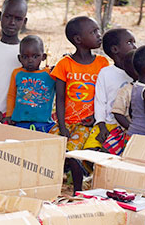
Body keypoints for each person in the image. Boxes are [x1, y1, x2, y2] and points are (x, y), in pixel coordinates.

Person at [49, 16, 109, 193]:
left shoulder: (102, 63)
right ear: (78, 39)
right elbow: (59, 98)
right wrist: (61, 125)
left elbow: (104, 96)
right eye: (93, 32)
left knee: (74, 153)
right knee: (50, 147)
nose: (99, 35)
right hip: (65, 121)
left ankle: (77, 190)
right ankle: (51, 185)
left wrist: (97, 119)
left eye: (98, 31)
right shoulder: (64, 64)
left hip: (87, 123)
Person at [83, 28, 136, 151]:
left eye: (134, 42)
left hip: (129, 126)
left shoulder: (138, 73)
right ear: (115, 49)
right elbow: (100, 101)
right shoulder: (106, 73)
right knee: (90, 150)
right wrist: (101, 124)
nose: (135, 46)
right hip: (108, 124)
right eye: (129, 43)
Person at [4, 35, 55, 132]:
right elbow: (11, 95)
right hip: (20, 122)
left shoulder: (50, 74)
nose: (30, 60)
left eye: (35, 56)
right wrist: (9, 115)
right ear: (19, 58)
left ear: (43, 57)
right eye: (25, 57)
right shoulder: (17, 73)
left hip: (44, 123)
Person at [104, 49, 138, 155]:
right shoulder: (126, 90)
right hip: (127, 131)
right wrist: (131, 128)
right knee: (107, 151)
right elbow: (118, 112)